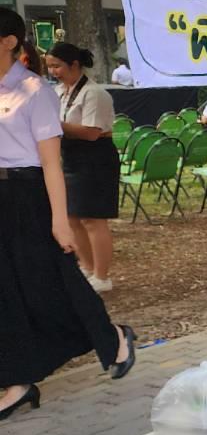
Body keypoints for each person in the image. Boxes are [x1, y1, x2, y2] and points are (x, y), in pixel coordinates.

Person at [0, 8, 135, 423]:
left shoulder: (34, 91)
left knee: (54, 275)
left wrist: (61, 218)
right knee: (6, 285)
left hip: (28, 191)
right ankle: (17, 379)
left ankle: (111, 339)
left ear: (9, 42)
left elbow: (51, 163)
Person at [46, 43, 121, 292]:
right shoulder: (58, 92)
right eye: (50, 67)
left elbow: (91, 133)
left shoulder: (94, 93)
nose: (54, 72)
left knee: (93, 219)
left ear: (74, 65)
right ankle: (87, 268)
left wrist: (54, 125)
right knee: (72, 217)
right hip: (71, 156)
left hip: (95, 156)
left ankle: (102, 275)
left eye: (57, 66)